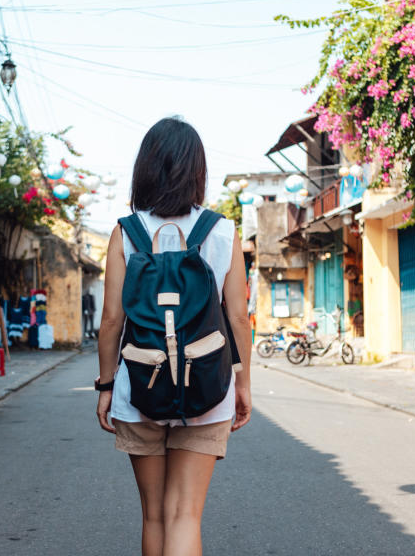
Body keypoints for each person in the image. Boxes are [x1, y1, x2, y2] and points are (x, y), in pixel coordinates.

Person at [95, 117, 252, 556]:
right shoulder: (222, 232)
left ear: (144, 168)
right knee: (186, 514)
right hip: (207, 386)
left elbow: (111, 321)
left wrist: (106, 387)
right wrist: (242, 384)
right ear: (197, 171)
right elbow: (238, 318)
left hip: (139, 385)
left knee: (155, 515)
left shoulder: (126, 233)